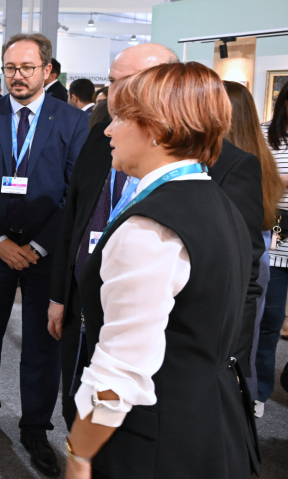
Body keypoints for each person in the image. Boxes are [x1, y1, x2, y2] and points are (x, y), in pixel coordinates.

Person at [49, 43, 265, 457]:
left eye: (123, 119)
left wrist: (81, 450)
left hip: (153, 435)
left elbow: (121, 370)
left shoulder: (151, 227)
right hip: (207, 422)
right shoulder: (209, 198)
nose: (109, 129)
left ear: (157, 129)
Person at [0, 33, 88, 476]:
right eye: (10, 68)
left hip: (45, 252)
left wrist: (36, 245)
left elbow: (76, 194)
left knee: (42, 343)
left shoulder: (72, 121)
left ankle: (35, 427)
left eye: (27, 68)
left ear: (47, 72)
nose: (17, 76)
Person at [224, 81, 284, 411]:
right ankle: (250, 397)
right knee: (254, 329)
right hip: (261, 253)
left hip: (243, 256)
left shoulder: (234, 163)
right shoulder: (261, 156)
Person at [260, 81, 288, 410]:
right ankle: (259, 388)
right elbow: (260, 177)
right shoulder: (266, 134)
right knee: (269, 315)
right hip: (276, 226)